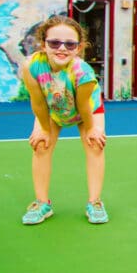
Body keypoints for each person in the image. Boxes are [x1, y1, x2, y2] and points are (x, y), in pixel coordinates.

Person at [20, 15, 108, 225]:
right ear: (43, 44)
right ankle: (42, 203)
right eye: (54, 42)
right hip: (53, 108)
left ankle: (95, 202)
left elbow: (83, 106)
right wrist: (42, 128)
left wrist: (91, 129)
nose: (62, 48)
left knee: (95, 144)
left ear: (78, 48)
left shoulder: (82, 72)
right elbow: (38, 102)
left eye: (70, 44)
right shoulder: (31, 66)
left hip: (86, 109)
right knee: (40, 145)